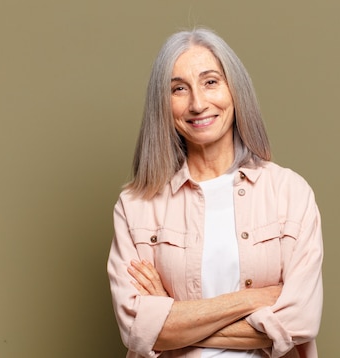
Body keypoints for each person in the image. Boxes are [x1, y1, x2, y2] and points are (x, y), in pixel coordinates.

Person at [107, 28, 323, 358]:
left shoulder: (289, 194)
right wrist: (255, 299)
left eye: (210, 82)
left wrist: (172, 317)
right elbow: (138, 330)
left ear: (235, 89)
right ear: (162, 104)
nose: (197, 103)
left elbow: (299, 322)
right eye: (179, 89)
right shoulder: (136, 207)